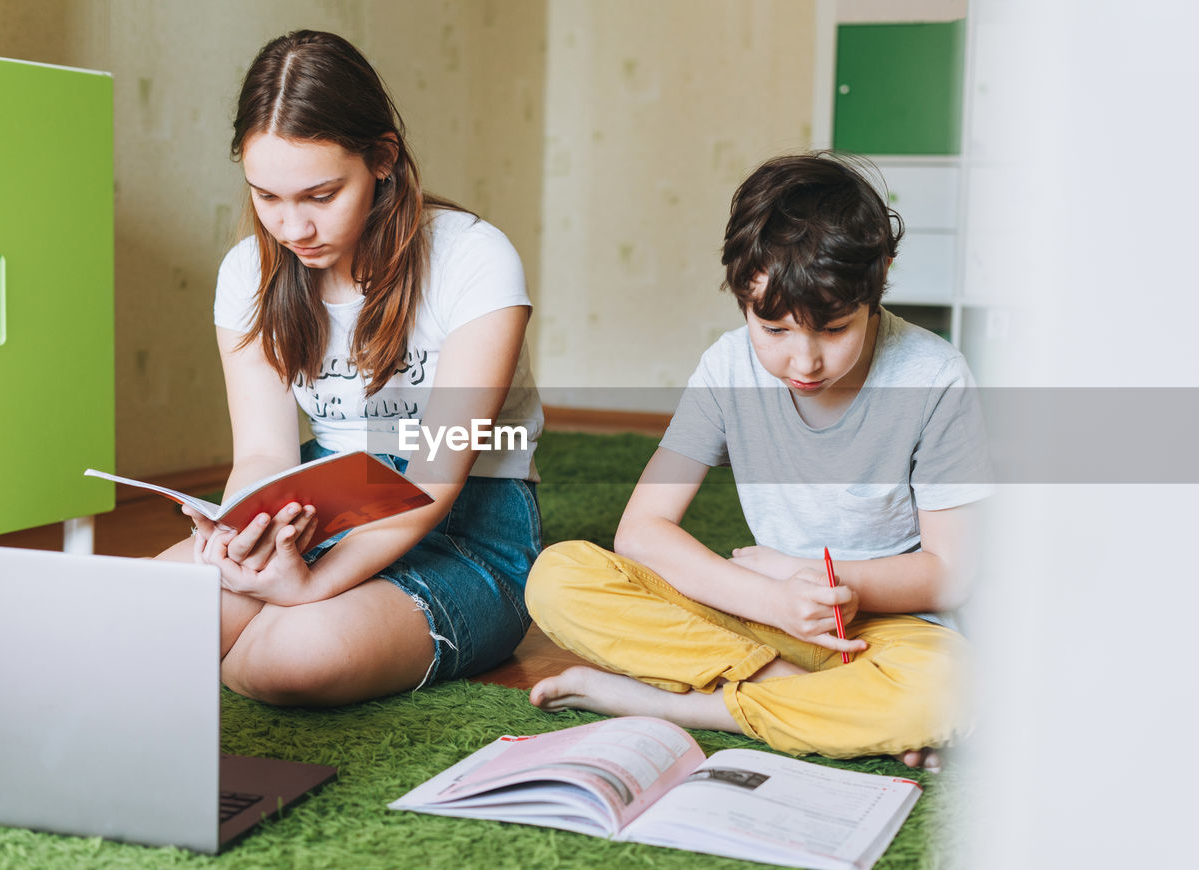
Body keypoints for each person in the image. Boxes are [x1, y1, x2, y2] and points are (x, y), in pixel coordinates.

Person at [525, 153, 992, 770]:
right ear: (741, 292)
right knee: (558, 577)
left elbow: (951, 573)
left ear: (879, 276)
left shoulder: (933, 377)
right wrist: (772, 600)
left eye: (833, 328)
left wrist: (805, 575)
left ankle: (679, 705)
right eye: (773, 330)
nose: (804, 362)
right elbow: (641, 531)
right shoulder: (727, 368)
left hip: (886, 629)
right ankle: (806, 700)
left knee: (950, 688)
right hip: (758, 615)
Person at [158, 30, 542, 707]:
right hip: (320, 501)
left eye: (319, 195)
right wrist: (243, 531)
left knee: (286, 662)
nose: (292, 228)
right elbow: (262, 454)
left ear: (383, 159)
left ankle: (277, 628)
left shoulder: (476, 260)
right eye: (266, 197)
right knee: (145, 617)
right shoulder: (248, 272)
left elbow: (430, 483)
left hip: (464, 523)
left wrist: (307, 587)